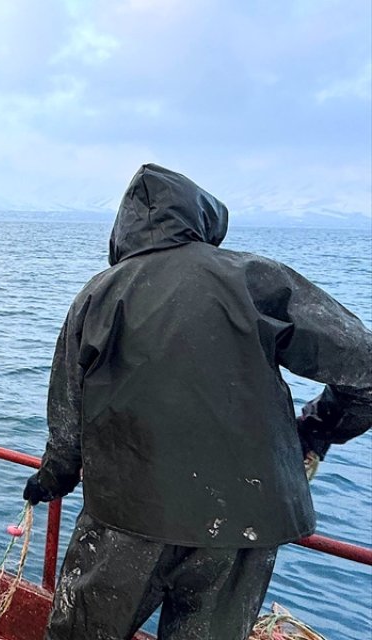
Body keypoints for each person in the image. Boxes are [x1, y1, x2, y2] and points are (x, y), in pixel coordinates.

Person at [24, 164, 372, 639]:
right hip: (244, 520)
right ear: (203, 220)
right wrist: (315, 430)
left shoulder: (98, 295)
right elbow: (365, 369)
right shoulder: (256, 278)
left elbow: (67, 418)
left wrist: (52, 478)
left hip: (128, 515)